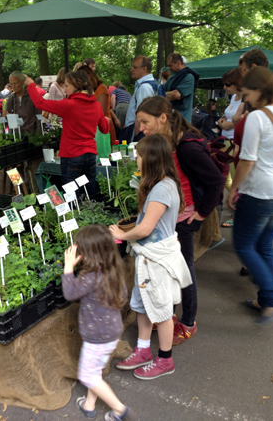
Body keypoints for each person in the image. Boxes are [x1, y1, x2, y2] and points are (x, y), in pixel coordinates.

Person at [134, 96, 224, 344]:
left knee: (183, 271)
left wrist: (200, 215)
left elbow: (215, 180)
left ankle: (188, 322)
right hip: (172, 216)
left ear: (162, 118)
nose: (141, 128)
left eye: (145, 122)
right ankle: (168, 317)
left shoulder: (187, 146)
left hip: (184, 218)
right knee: (169, 271)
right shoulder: (169, 139)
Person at [110, 134, 191, 379]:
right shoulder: (164, 184)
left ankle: (165, 360)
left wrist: (120, 235)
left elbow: (145, 229)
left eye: (139, 154)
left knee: (162, 310)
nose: (136, 157)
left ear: (151, 158)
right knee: (144, 304)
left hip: (155, 260)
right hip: (148, 259)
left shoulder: (161, 190)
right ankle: (143, 350)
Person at [226, 66, 273, 326]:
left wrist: (234, 188)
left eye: (246, 93)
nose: (245, 98)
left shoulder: (257, 117)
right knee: (264, 245)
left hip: (260, 193)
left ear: (258, 90)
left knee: (244, 245)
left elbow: (247, 160)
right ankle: (265, 300)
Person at [62, 225, 133, 421]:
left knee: (87, 376)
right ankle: (89, 405)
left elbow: (70, 294)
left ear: (89, 254)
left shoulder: (90, 277)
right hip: (112, 332)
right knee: (95, 370)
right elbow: (124, 297)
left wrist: (69, 268)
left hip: (97, 338)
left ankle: (120, 409)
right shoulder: (114, 270)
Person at [24, 71, 109, 194]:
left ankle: (74, 213)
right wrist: (105, 120)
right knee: (89, 192)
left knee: (72, 194)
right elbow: (105, 129)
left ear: (76, 86)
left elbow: (40, 103)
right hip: (90, 155)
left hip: (72, 155)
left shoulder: (68, 104)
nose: (64, 89)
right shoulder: (96, 105)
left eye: (67, 86)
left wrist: (31, 85)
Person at [121, 55, 156, 142]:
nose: (131, 70)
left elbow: (142, 116)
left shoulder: (144, 88)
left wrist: (134, 135)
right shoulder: (154, 84)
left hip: (139, 132)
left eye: (135, 67)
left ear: (144, 69)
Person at [78, 65, 114, 144]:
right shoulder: (92, 90)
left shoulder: (101, 89)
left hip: (103, 130)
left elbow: (101, 113)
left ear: (89, 75)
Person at [164, 53, 199, 123]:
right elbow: (160, 90)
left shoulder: (189, 77)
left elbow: (176, 95)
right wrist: (167, 94)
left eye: (170, 65)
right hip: (171, 119)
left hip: (183, 122)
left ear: (178, 63)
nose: (169, 68)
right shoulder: (171, 79)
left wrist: (163, 94)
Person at [4, 71, 41, 135]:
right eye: (11, 84)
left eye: (16, 83)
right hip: (17, 134)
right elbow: (5, 114)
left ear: (22, 82)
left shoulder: (31, 96)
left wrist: (39, 134)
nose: (13, 86)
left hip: (31, 134)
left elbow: (38, 116)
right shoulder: (11, 98)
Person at [217, 68, 244, 139]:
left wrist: (230, 125)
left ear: (238, 83)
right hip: (226, 138)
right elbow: (231, 114)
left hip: (237, 139)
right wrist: (223, 120)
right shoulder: (234, 97)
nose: (224, 87)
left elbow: (248, 122)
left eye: (227, 84)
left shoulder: (247, 99)